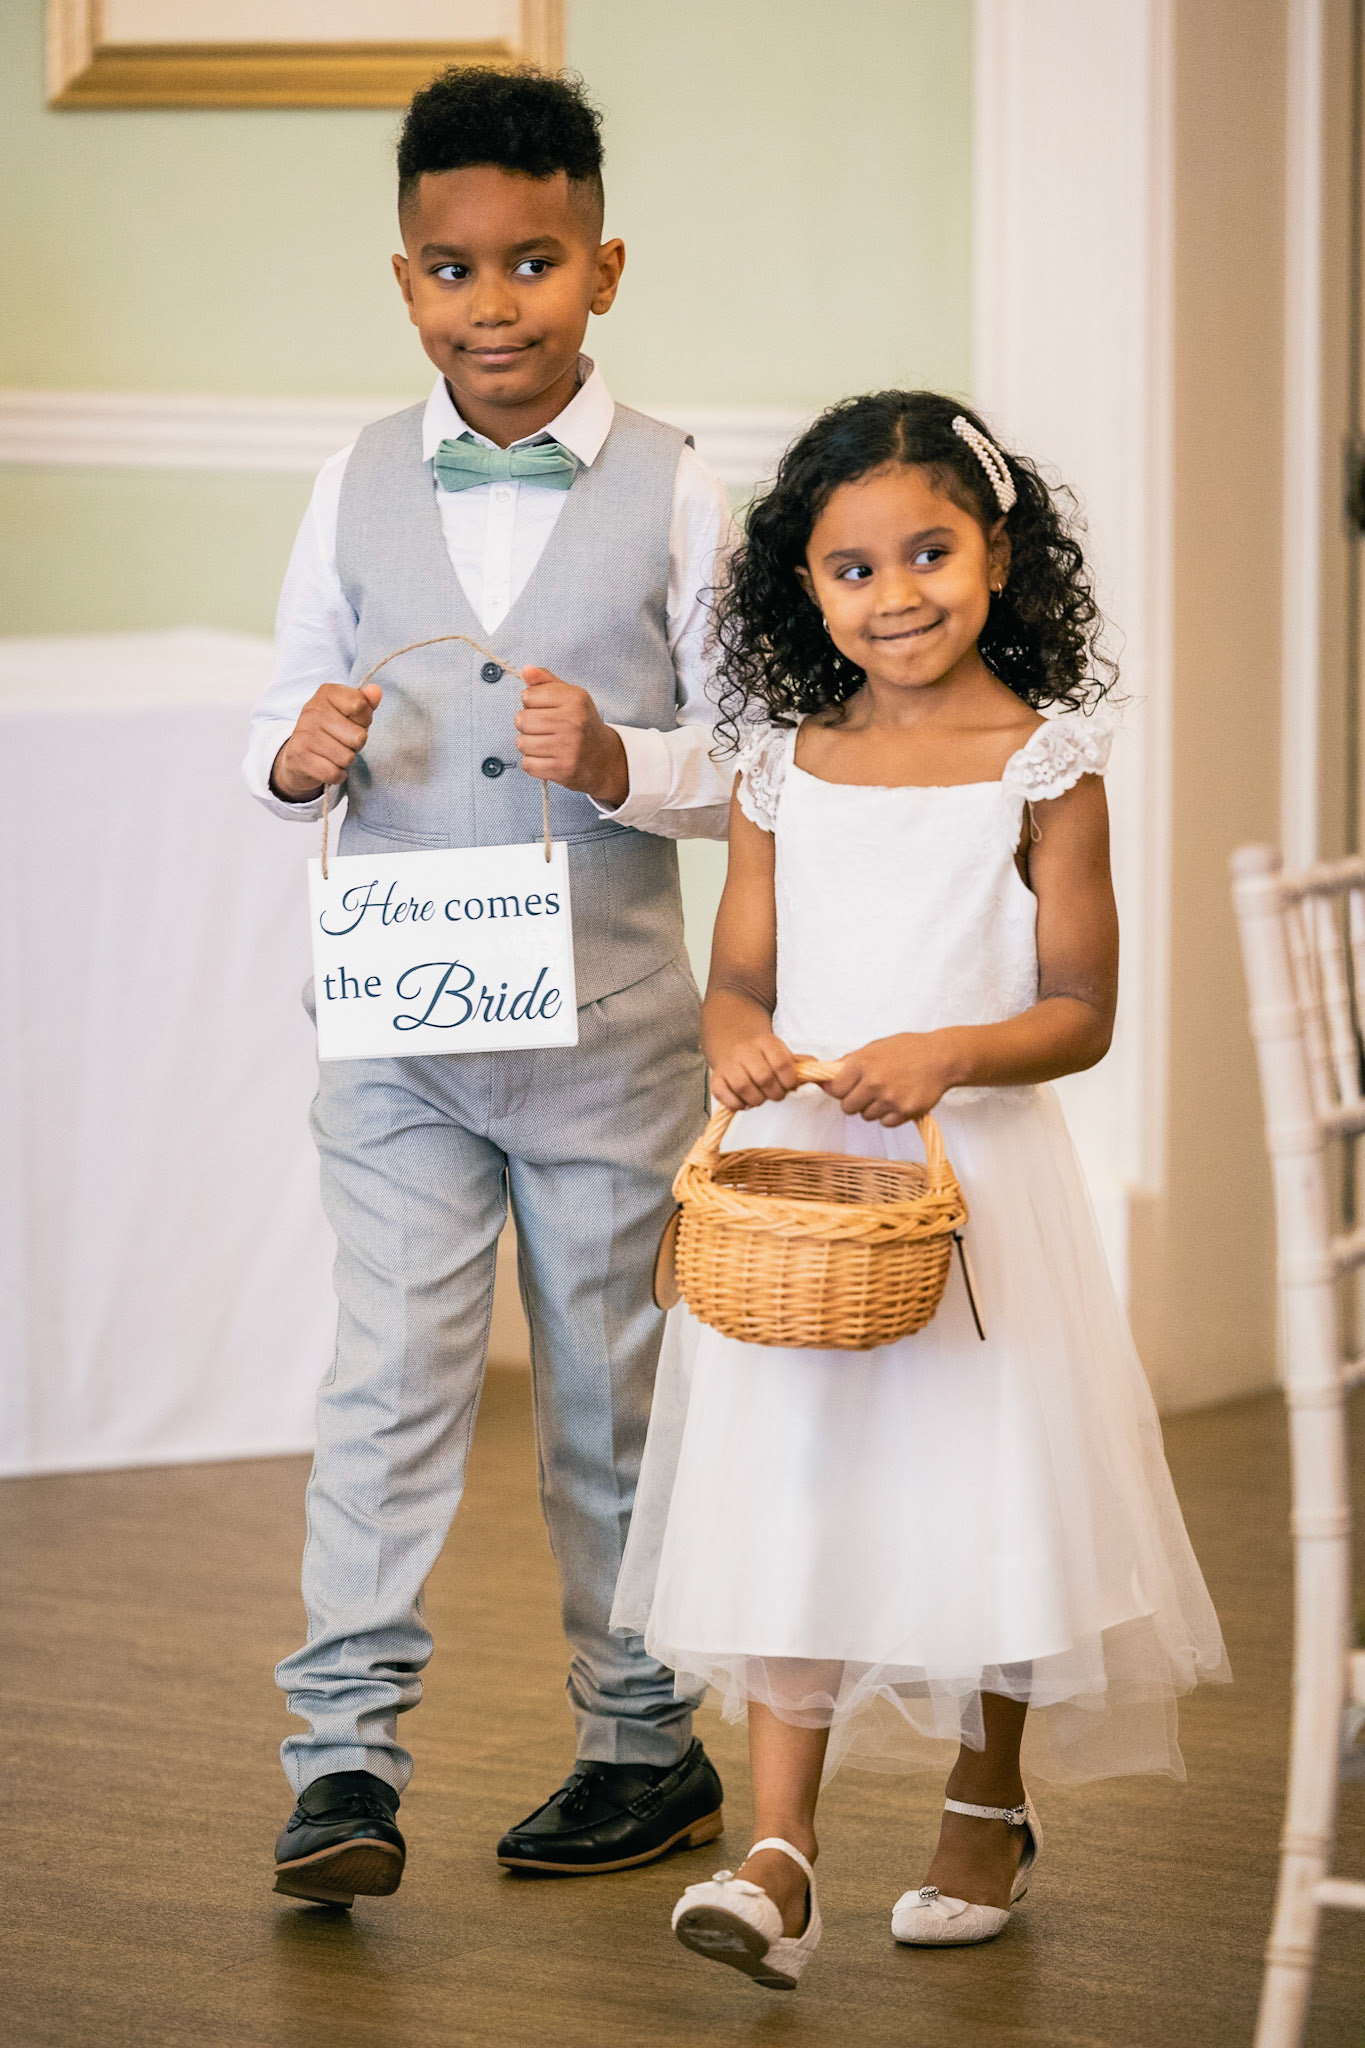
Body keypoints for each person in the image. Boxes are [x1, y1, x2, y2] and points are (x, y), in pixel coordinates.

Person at [611, 390, 1229, 1988]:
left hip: (975, 1193)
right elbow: (736, 981)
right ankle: (778, 1857)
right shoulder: (781, 768)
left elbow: (1079, 1009)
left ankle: (983, 1799)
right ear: (802, 588)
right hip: (801, 1197)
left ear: (999, 555)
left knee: (985, 1492)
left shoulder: (1045, 764)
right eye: (852, 568)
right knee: (788, 1495)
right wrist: (737, 1040)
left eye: (930, 553)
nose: (895, 595)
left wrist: (951, 1051)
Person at [244, 66, 735, 1907]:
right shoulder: (353, 479)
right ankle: (342, 1761)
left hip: (607, 1046)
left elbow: (749, 766)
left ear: (603, 268)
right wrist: (293, 756)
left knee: (609, 1400)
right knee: (385, 1383)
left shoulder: (681, 489)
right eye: (453, 271)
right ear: (405, 283)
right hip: (400, 1031)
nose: (494, 305)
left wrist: (621, 760)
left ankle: (643, 1741)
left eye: (533, 263)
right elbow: (279, 708)